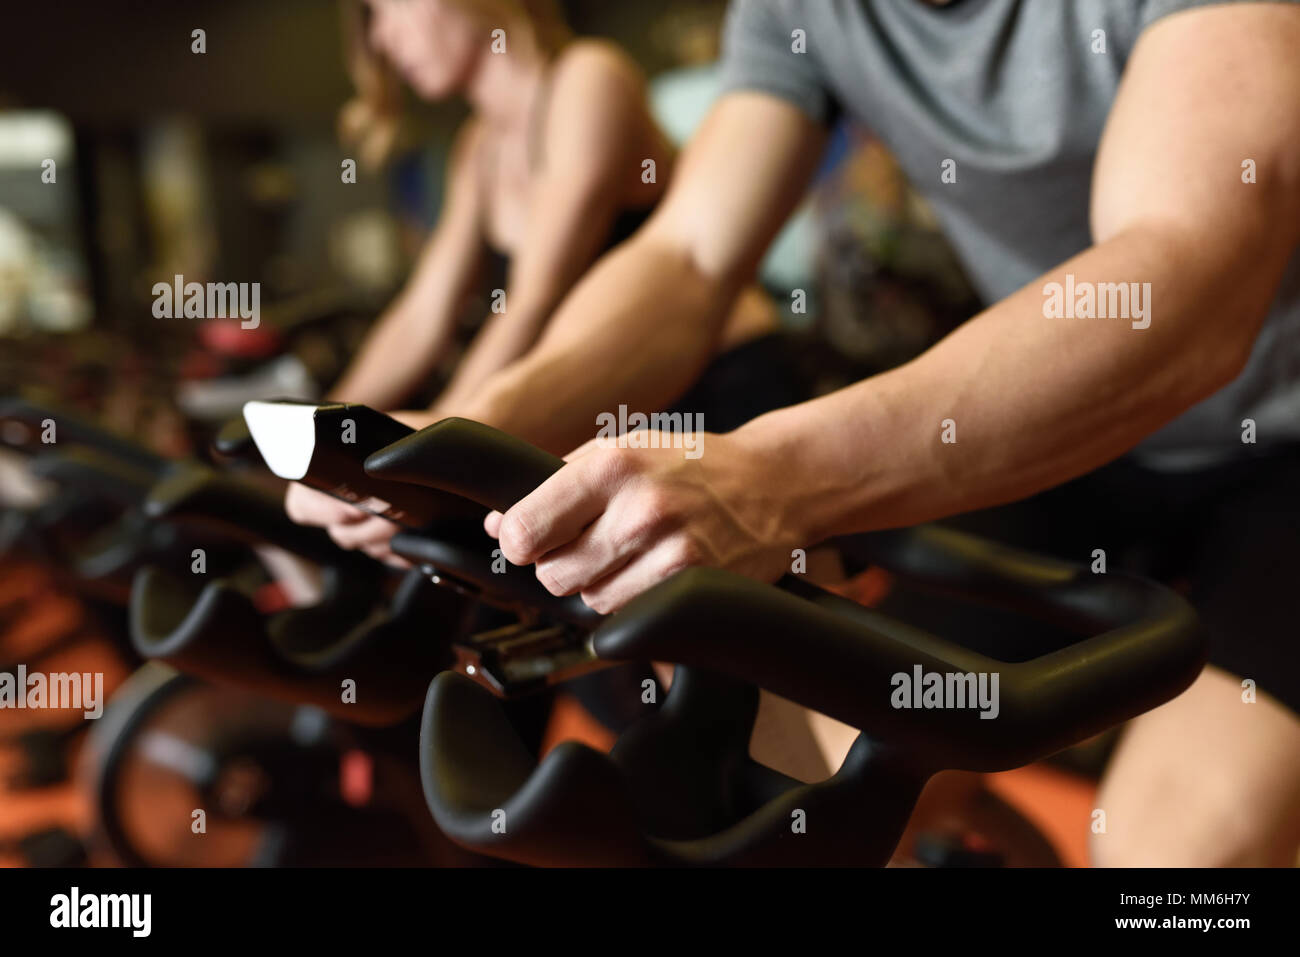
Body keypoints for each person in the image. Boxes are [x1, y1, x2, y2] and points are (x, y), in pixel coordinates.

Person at [444, 0, 1300, 866]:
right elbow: (689, 258)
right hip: (1072, 436)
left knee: (1166, 873)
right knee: (807, 799)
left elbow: (1190, 280)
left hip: (1283, 447)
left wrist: (773, 474)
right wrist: (467, 432)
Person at [286, 0, 780, 564]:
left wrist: (427, 453)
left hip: (715, 389)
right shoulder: (479, 147)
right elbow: (420, 315)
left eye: (389, 8)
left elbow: (532, 300)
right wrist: (317, 430)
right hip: (597, 403)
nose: (382, 39)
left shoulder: (587, 77)